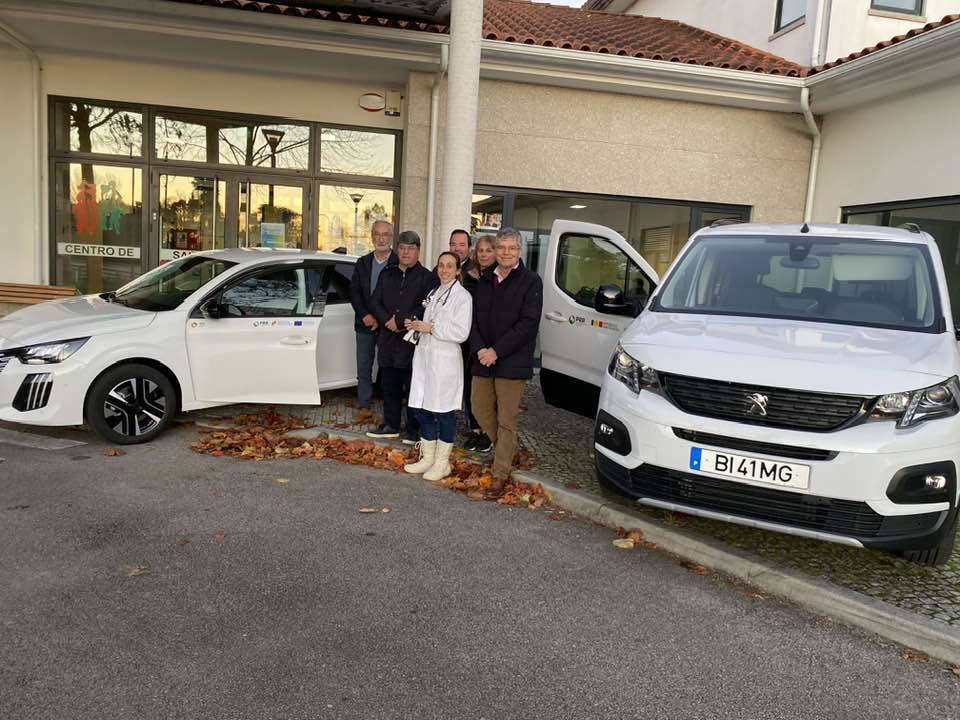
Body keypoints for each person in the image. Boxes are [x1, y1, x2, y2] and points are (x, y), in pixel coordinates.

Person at [469, 228, 543, 492]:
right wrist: (481, 349)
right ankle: (508, 448)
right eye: (501, 247)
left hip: (512, 360)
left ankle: (500, 472)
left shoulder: (531, 281)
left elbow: (528, 324)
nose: (506, 252)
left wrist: (496, 351)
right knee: (479, 408)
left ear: (520, 251)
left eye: (512, 248)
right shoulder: (485, 278)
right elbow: (474, 319)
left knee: (506, 419)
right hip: (483, 358)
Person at [403, 251, 474, 481]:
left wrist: (431, 328)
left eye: (449, 266)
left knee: (443, 411)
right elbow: (427, 322)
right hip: (425, 357)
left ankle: (442, 463)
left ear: (457, 270)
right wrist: (415, 325)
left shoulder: (463, 297)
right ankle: (428, 458)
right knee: (422, 409)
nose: (444, 270)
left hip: (445, 361)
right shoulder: (435, 292)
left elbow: (461, 333)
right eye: (441, 265)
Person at [367, 230, 438, 441]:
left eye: (411, 248)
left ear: (418, 251)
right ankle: (391, 425)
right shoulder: (387, 274)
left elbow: (425, 306)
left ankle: (413, 429)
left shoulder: (427, 277)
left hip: (412, 340)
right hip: (387, 339)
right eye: (403, 248)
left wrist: (399, 321)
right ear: (397, 249)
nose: (406, 252)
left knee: (413, 387)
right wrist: (387, 320)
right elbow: (375, 301)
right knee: (389, 385)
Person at [349, 220, 395, 418]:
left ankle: (389, 408)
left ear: (391, 237)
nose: (381, 239)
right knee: (364, 366)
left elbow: (399, 296)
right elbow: (355, 292)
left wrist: (381, 319)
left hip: (389, 325)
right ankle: (364, 405)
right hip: (364, 323)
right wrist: (366, 315)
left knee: (389, 367)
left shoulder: (398, 262)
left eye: (385, 234)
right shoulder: (363, 263)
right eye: (377, 234)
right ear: (372, 236)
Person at [459, 234, 496, 452]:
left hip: (488, 342)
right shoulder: (468, 274)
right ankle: (474, 429)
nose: (483, 254)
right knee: (470, 385)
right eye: (480, 250)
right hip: (468, 338)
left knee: (487, 391)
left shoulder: (497, 277)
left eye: (488, 250)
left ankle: (487, 432)